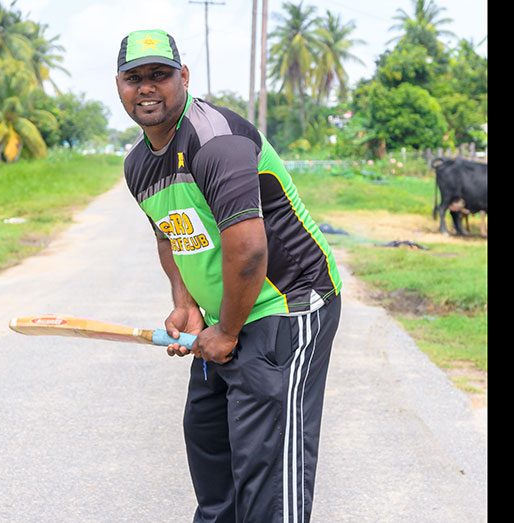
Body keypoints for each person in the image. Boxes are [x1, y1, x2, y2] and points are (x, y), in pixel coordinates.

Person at [115, 29, 343, 523]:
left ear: (184, 78)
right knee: (210, 446)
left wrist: (228, 332)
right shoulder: (139, 165)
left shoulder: (215, 140)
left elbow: (248, 250)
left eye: (159, 75)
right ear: (119, 85)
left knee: (267, 476)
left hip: (287, 305)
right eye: (135, 78)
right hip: (226, 316)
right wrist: (187, 303)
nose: (147, 88)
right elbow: (169, 235)